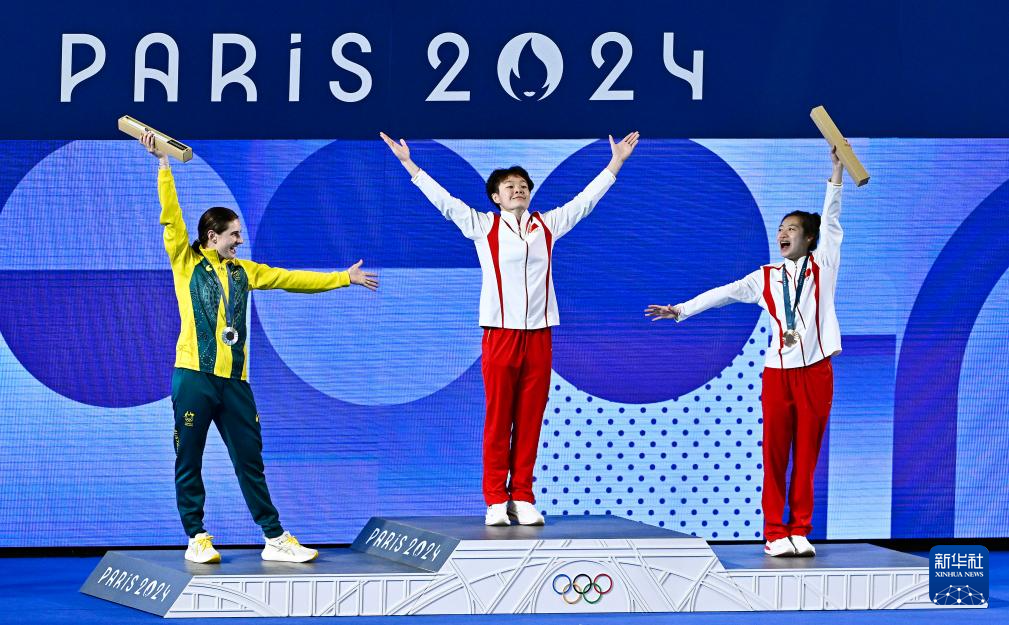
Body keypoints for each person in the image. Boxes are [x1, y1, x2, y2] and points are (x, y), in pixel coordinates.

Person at [141, 131, 378, 563]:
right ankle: (196, 537)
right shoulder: (186, 263)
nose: (239, 240)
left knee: (250, 461)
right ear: (212, 236)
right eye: (233, 234)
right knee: (188, 459)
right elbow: (171, 219)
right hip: (193, 377)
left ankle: (274, 538)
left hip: (235, 382)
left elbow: (291, 279)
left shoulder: (244, 271)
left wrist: (343, 278)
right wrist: (163, 164)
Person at [380, 130, 639, 526]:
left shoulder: (547, 225)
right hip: (500, 334)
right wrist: (410, 166)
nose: (518, 190)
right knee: (500, 417)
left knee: (531, 418)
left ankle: (522, 495)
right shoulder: (483, 226)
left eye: (523, 186)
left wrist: (615, 163)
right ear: (496, 197)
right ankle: (495, 499)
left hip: (540, 335)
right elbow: (445, 202)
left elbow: (585, 202)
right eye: (509, 186)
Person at [646, 143, 847, 557]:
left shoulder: (824, 265)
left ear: (809, 238)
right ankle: (774, 532)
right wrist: (681, 309)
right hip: (778, 375)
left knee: (807, 455)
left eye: (792, 228)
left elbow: (832, 219)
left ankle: (800, 529)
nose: (783, 234)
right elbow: (723, 293)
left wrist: (836, 176)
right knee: (775, 454)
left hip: (817, 372)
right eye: (781, 228)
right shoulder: (766, 277)